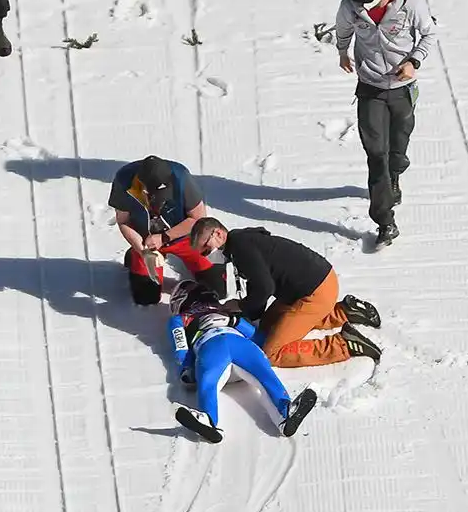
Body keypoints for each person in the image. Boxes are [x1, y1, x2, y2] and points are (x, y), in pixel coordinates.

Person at [331, 0, 437, 246]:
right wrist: (343, 52)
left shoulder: (409, 5)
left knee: (397, 147)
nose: (366, 3)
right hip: (370, 87)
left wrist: (414, 61)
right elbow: (343, 29)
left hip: (402, 88)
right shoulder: (351, 2)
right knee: (376, 155)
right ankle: (385, 221)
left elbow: (429, 34)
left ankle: (395, 175)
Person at [188, 218, 380, 369]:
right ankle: (345, 312)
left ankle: (344, 345)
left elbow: (264, 288)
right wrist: (247, 307)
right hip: (314, 283)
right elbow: (260, 284)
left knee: (271, 353)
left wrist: (241, 306)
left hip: (315, 293)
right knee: (268, 326)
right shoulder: (241, 241)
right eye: (202, 253)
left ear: (219, 233)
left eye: (206, 248)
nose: (206, 255)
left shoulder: (241, 249)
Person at [166, 280, 318, 444]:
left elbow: (180, 347)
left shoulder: (183, 318)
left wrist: (186, 367)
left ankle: (208, 419)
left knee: (209, 382)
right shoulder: (219, 311)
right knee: (264, 375)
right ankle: (284, 413)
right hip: (235, 345)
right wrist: (235, 322)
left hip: (211, 347)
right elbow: (257, 338)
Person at [106, 156, 225, 305]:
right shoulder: (124, 181)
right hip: (147, 241)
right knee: (146, 298)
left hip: (184, 237)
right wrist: (142, 250)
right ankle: (134, 256)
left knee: (217, 290)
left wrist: (164, 237)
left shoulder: (181, 177)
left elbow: (199, 219)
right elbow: (123, 221)